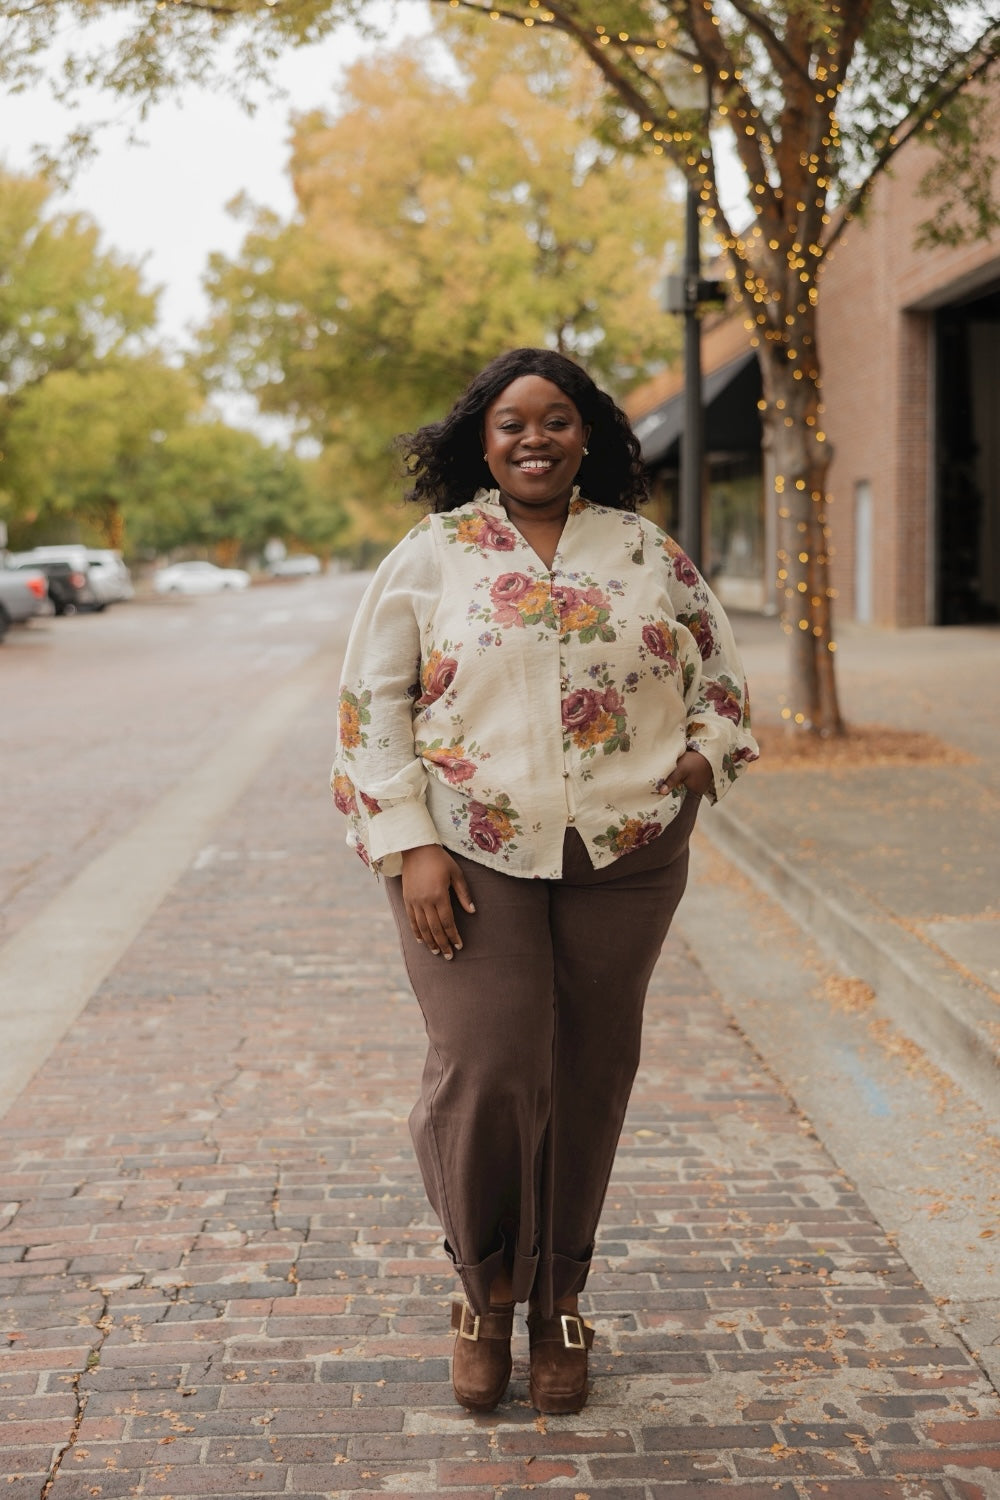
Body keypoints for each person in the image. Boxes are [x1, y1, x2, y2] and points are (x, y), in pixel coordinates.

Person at [331, 347, 758, 1415]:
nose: (535, 437)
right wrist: (407, 839)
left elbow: (720, 674)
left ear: (589, 435)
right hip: (466, 850)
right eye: (512, 422)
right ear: (479, 441)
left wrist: (704, 758)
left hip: (628, 851)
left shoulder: (645, 550)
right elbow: (369, 704)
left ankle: (560, 1300)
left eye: (556, 419)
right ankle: (484, 1289)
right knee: (489, 1064)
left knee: (588, 1072)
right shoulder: (433, 555)